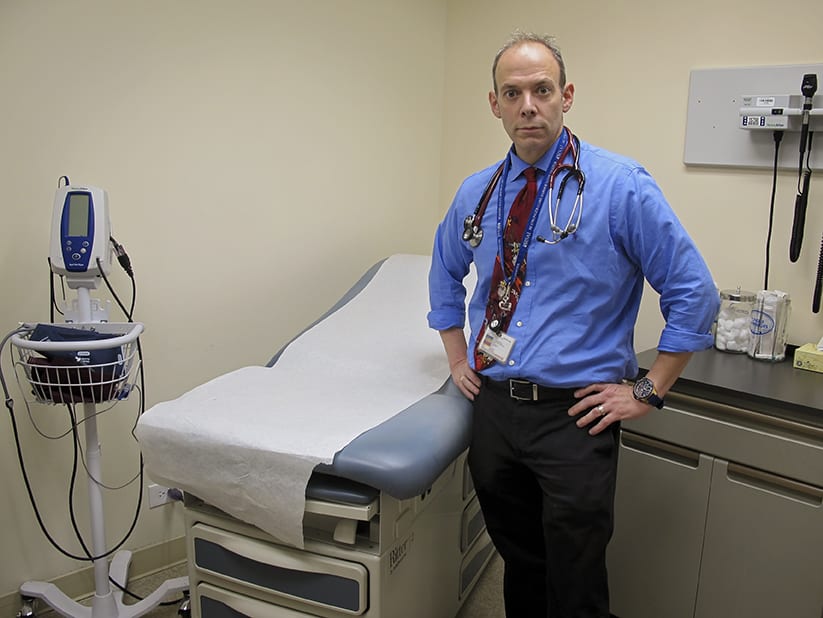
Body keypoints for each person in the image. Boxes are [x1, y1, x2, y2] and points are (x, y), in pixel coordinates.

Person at [427, 32, 718, 617]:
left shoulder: (619, 186)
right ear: (495, 104)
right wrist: (458, 359)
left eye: (542, 89)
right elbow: (443, 278)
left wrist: (649, 388)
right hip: (496, 411)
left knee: (576, 576)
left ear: (567, 96)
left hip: (575, 417)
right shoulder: (476, 195)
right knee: (521, 565)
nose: (527, 105)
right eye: (513, 93)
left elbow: (695, 293)